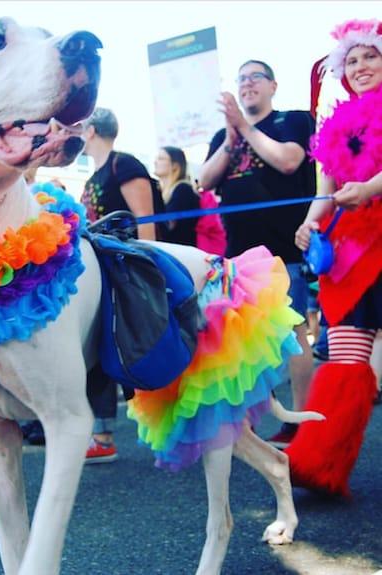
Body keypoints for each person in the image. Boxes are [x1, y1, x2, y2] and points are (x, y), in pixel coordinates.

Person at [286, 18, 382, 497]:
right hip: (349, 251)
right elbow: (324, 191)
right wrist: (310, 222)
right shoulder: (335, 124)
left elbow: (364, 185)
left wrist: (370, 187)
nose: (360, 66)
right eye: (353, 59)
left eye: (371, 56)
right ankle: (320, 466)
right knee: (345, 357)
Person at [199, 59, 316, 448]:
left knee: (294, 332)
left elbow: (289, 161)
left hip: (283, 249)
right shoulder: (225, 135)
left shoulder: (292, 121)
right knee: (245, 339)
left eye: (255, 77)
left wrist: (245, 127)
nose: (247, 83)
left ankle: (302, 420)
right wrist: (231, 138)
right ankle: (252, 418)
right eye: (241, 78)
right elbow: (205, 180)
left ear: (273, 85)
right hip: (237, 255)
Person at [80, 107, 165, 463]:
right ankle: (101, 434)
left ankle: (171, 424)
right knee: (100, 350)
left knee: (142, 349)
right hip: (101, 274)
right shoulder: (93, 175)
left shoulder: (124, 165)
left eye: (79, 126)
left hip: (128, 272)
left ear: (91, 130)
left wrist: (148, 274)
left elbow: (147, 224)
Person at [153, 146, 200, 246]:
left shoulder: (182, 189)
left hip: (181, 250)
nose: (155, 162)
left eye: (161, 159)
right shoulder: (163, 190)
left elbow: (169, 225)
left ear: (175, 165)